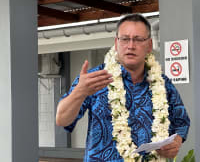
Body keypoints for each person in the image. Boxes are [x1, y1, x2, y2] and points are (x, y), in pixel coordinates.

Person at [56, 14, 190, 162]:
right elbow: (62, 120)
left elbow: (181, 122)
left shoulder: (163, 83)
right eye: (125, 39)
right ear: (116, 42)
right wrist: (79, 92)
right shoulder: (94, 78)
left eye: (138, 39)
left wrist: (176, 141)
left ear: (149, 45)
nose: (131, 45)